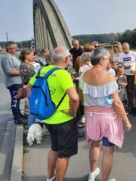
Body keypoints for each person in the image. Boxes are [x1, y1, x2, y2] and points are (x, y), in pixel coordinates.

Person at [79, 47, 132, 181]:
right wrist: (126, 121)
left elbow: (82, 97)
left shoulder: (83, 76)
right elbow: (117, 103)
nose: (109, 62)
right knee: (108, 152)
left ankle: (92, 173)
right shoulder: (108, 77)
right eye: (108, 59)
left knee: (94, 145)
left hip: (91, 117)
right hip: (108, 118)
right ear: (102, 60)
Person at [28, 46, 79, 181]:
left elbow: (29, 88)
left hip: (47, 118)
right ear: (67, 58)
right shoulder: (63, 74)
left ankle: (50, 177)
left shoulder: (42, 70)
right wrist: (72, 112)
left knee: (54, 149)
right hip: (64, 120)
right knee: (64, 155)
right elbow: (74, 98)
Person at [1, 41, 24, 125]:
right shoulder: (6, 58)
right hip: (14, 83)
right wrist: (23, 72)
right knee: (15, 100)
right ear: (9, 49)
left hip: (18, 82)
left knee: (17, 100)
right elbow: (10, 71)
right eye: (14, 48)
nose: (16, 49)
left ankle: (19, 115)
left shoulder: (12, 56)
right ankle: (17, 119)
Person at [19, 48, 39, 126]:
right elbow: (35, 77)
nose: (33, 56)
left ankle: (34, 127)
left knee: (34, 109)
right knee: (33, 110)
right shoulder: (25, 66)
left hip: (33, 88)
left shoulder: (27, 64)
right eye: (31, 55)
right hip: (31, 89)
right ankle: (31, 128)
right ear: (26, 56)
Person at [118, 42, 136, 110]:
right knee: (126, 90)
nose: (125, 50)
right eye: (123, 49)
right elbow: (120, 65)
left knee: (130, 90)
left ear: (129, 48)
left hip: (132, 75)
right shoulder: (121, 55)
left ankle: (133, 105)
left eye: (126, 49)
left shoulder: (134, 53)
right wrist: (125, 67)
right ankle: (129, 104)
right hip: (125, 74)